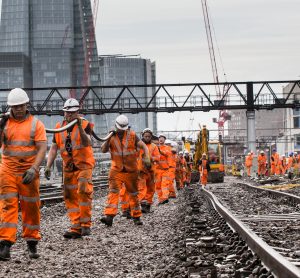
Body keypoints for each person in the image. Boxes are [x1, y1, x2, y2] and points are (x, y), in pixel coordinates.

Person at [0, 88, 47, 260]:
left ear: (27, 105)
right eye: (15, 106)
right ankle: (5, 245)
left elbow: (42, 148)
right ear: (10, 107)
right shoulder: (4, 123)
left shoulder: (36, 124)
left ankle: (32, 243)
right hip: (8, 171)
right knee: (7, 206)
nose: (18, 109)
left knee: (31, 208)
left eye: (21, 106)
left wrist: (34, 168)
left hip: (28, 172)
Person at [45, 98, 95, 239]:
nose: (69, 115)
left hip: (84, 165)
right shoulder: (59, 127)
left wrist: (79, 126)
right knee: (69, 196)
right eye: (67, 113)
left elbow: (87, 142)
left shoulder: (85, 124)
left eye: (72, 113)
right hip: (69, 167)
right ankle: (76, 226)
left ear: (77, 112)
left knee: (83, 191)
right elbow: (54, 147)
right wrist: (48, 165)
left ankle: (86, 225)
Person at [100, 115, 150, 226]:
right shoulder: (111, 136)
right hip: (116, 170)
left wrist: (147, 157)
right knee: (113, 193)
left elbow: (144, 147)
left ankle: (136, 216)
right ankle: (109, 217)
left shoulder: (132, 135)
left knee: (133, 194)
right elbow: (103, 149)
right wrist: (108, 137)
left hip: (131, 171)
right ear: (115, 126)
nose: (122, 130)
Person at [137, 128, 160, 212]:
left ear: (151, 137)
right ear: (142, 136)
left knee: (150, 189)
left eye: (148, 136)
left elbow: (158, 157)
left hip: (150, 171)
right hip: (141, 171)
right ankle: (143, 204)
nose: (147, 137)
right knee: (142, 188)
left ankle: (148, 205)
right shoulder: (139, 145)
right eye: (145, 136)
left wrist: (151, 158)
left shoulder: (154, 146)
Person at [156, 134, 172, 205]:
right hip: (157, 170)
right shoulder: (155, 148)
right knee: (158, 186)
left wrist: (160, 151)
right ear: (158, 140)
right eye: (160, 138)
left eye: (162, 138)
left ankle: (165, 198)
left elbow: (167, 154)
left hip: (165, 170)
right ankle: (160, 199)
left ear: (164, 140)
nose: (161, 139)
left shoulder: (167, 148)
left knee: (164, 184)